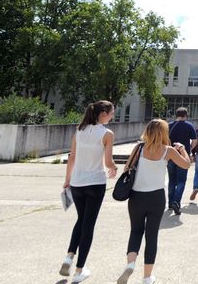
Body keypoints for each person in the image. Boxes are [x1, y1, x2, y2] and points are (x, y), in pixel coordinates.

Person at [117, 119, 190, 284]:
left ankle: (130, 263)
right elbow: (186, 165)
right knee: (151, 235)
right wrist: (183, 150)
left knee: (135, 231)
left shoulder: (139, 148)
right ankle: (147, 277)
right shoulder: (168, 150)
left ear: (147, 131)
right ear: (164, 133)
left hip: (136, 196)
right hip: (156, 196)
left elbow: (126, 168)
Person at [61, 101, 117, 283]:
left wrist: (67, 179)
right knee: (88, 224)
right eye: (111, 113)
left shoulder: (79, 130)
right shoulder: (107, 134)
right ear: (103, 113)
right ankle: (79, 270)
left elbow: (72, 156)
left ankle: (69, 256)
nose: (112, 116)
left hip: (77, 182)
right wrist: (115, 167)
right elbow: (108, 162)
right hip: (95, 183)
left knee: (81, 219)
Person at [167, 107, 197, 215]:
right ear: (185, 115)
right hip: (183, 157)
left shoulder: (169, 126)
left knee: (171, 180)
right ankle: (176, 201)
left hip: (170, 156)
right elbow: (194, 141)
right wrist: (188, 149)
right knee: (181, 181)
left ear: (176, 115)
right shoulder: (189, 126)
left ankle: (170, 203)